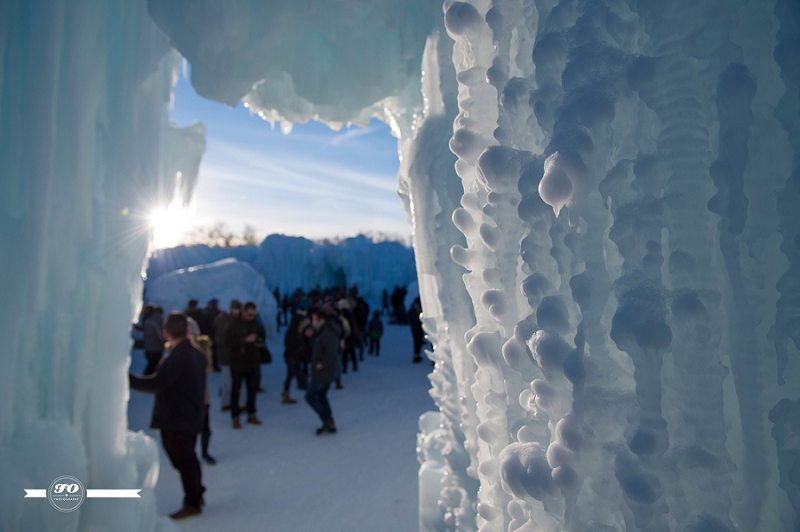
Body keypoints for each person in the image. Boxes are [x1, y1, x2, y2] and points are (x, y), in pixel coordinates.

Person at [129, 312, 207, 519]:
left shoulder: (177, 357)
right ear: (188, 331)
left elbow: (156, 384)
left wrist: (128, 378)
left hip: (177, 419)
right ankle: (196, 495)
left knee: (183, 461)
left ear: (165, 333)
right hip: (192, 415)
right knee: (189, 459)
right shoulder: (196, 353)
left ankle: (193, 502)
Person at [225, 301, 265, 428]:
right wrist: (245, 340)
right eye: (249, 314)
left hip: (252, 361)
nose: (251, 317)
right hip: (238, 362)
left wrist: (258, 341)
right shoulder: (233, 324)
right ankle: (235, 416)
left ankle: (251, 413)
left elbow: (263, 336)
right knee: (236, 390)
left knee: (252, 389)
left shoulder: (255, 323)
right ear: (243, 311)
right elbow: (227, 341)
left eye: (253, 314)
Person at [305, 309, 342, 435]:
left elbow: (331, 353)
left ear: (322, 320)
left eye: (315, 320)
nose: (313, 322)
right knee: (321, 396)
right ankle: (329, 422)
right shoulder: (325, 331)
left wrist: (322, 364)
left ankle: (327, 420)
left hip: (322, 373)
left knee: (310, 396)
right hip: (326, 371)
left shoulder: (328, 333)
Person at [214, 300, 240, 412]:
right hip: (227, 355)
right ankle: (226, 403)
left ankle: (229, 403)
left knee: (230, 380)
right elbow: (223, 339)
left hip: (231, 355)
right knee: (227, 380)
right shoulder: (225, 321)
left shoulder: (226, 319)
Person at [282, 308, 311, 404]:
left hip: (292, 357)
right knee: (300, 375)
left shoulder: (295, 331)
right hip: (292, 358)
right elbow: (291, 346)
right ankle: (311, 393)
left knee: (290, 376)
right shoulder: (293, 332)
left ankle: (285, 394)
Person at [194, 335, 216, 465]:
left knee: (204, 426)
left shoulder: (203, 349)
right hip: (191, 396)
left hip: (201, 396)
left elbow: (208, 370)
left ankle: (204, 452)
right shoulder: (180, 351)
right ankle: (197, 453)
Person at [143, 306, 165, 375]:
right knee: (155, 365)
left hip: (148, 347)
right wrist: (164, 342)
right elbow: (161, 335)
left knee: (152, 364)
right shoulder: (159, 321)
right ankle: (147, 380)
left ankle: (146, 380)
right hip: (156, 348)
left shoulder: (148, 320)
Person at [409, 296, 424, 363]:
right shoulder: (418, 309)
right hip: (418, 328)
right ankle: (416, 356)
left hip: (414, 328)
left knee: (416, 342)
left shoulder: (412, 308)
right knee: (418, 342)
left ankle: (416, 355)